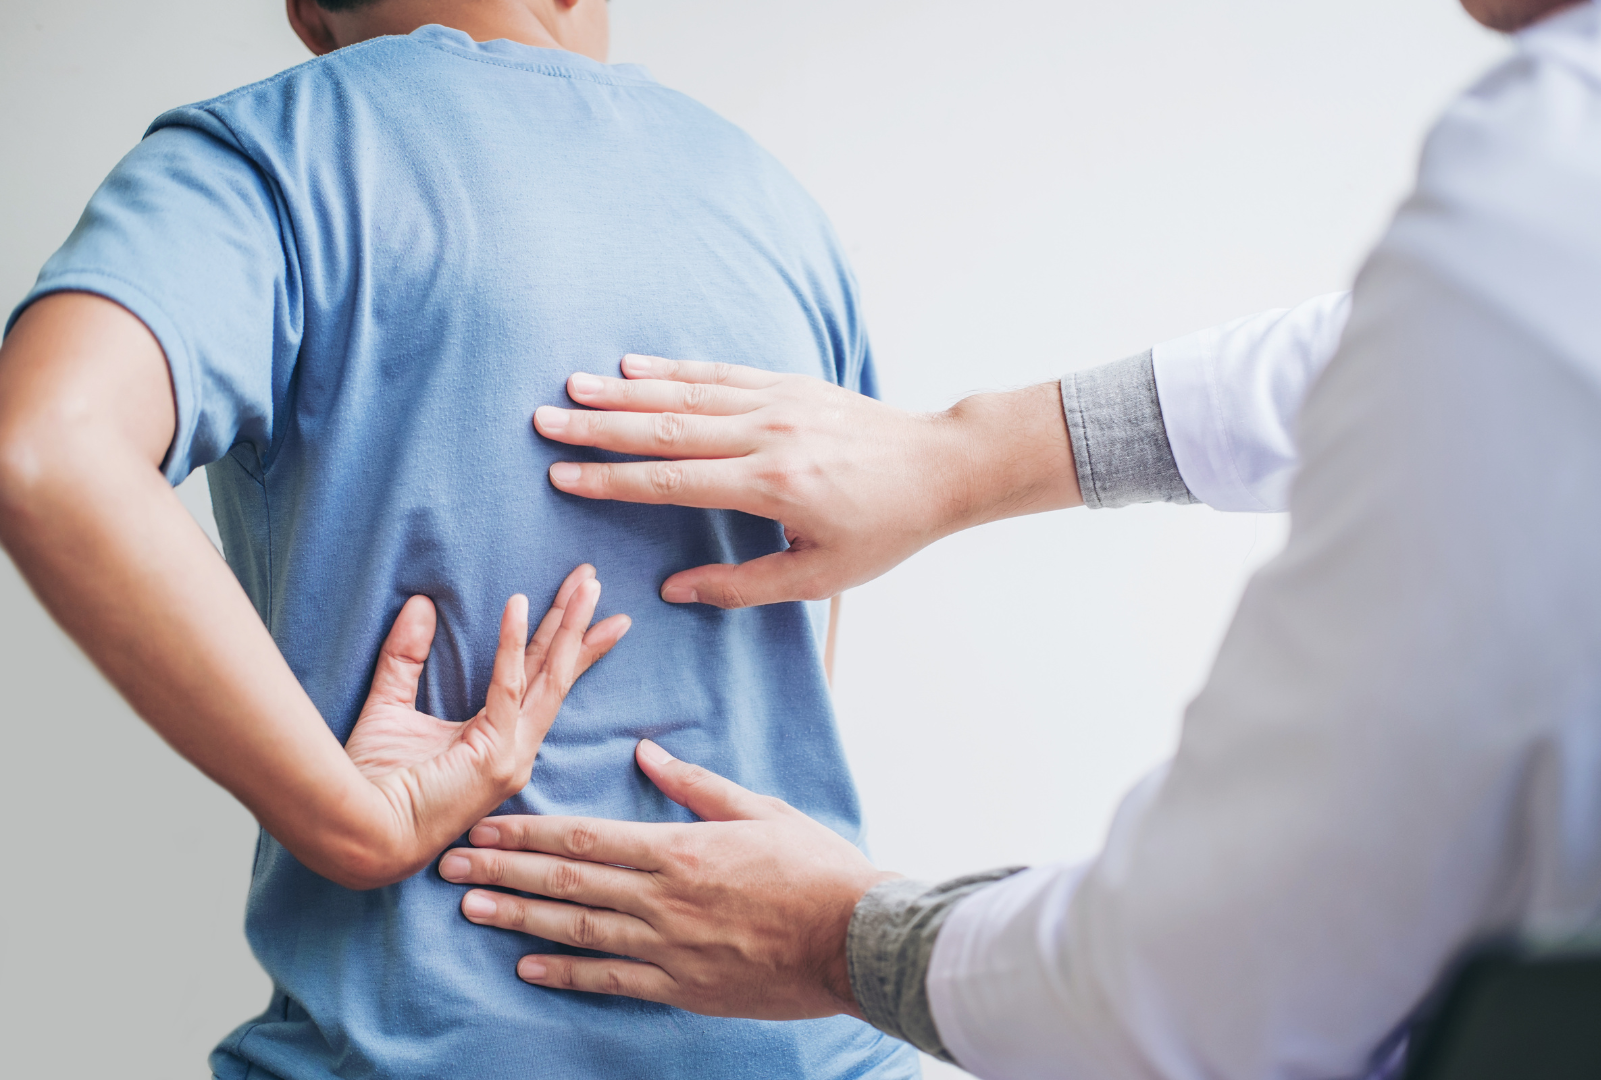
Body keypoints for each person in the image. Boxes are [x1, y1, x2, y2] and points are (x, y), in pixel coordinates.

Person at [429, 0, 1601, 1077]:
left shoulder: (1549, 164)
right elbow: (1406, 352)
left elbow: (1196, 991)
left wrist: (832, 937)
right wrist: (965, 455)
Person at [0, 1, 916, 1078]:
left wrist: (355, 825)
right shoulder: (782, 215)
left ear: (308, 13)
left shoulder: (280, 154)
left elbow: (54, 444)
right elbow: (800, 664)